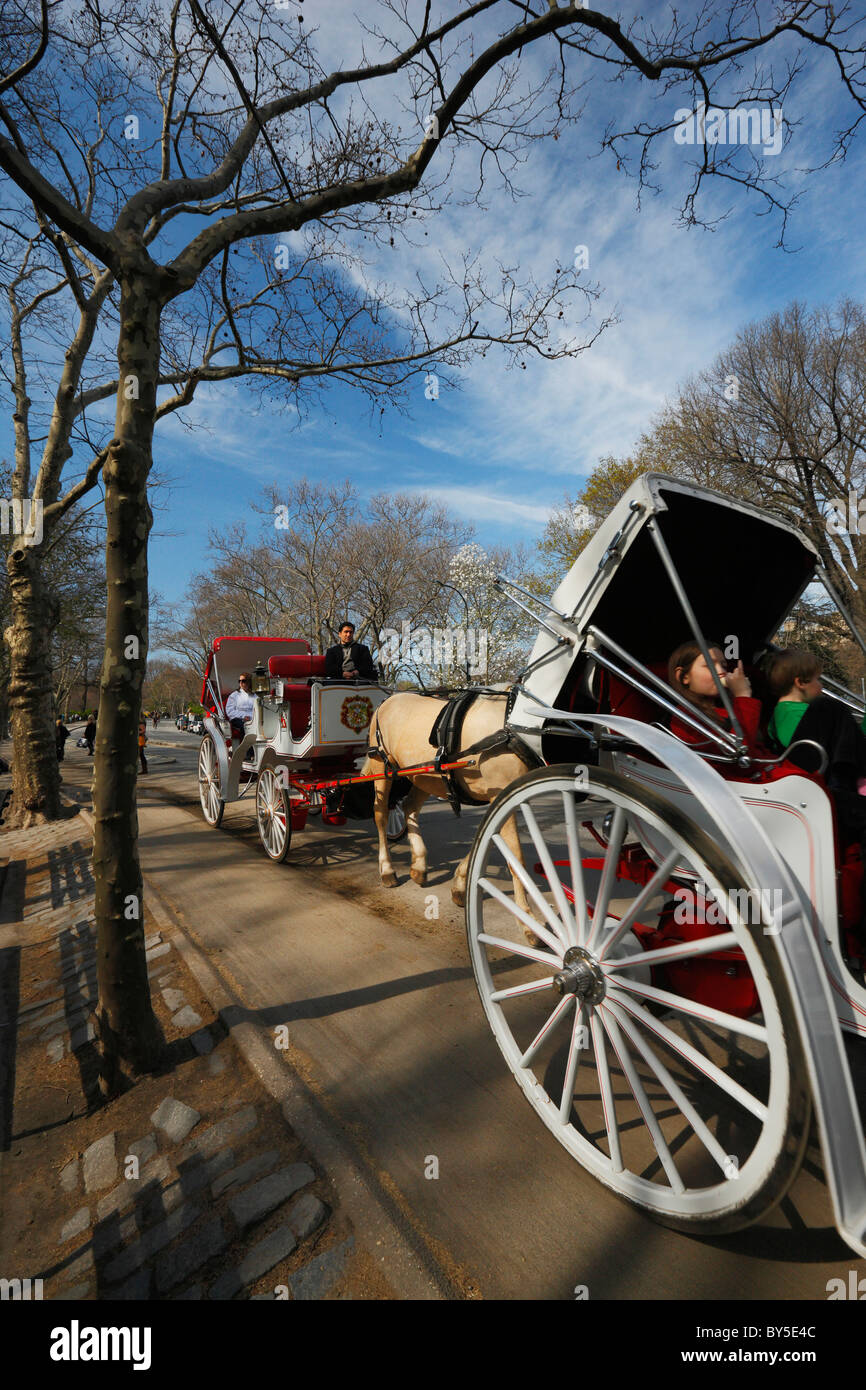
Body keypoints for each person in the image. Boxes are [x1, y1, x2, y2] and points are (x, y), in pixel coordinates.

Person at [765, 646, 866, 838]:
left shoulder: (789, 711)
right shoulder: (791, 713)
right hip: (815, 779)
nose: (820, 686)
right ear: (800, 682)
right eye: (817, 679)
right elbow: (801, 748)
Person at [668, 640, 765, 756]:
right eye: (709, 665)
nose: (721, 672)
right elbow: (738, 757)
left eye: (724, 666)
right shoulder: (685, 717)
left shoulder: (726, 706)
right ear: (684, 676)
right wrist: (743, 695)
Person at [226, 672, 256, 742]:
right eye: (239, 681)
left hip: (252, 718)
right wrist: (243, 716)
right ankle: (246, 750)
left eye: (243, 681)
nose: (241, 683)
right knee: (246, 726)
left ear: (249, 682)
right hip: (237, 719)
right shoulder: (234, 695)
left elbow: (257, 710)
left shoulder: (254, 696)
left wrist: (251, 717)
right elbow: (230, 711)